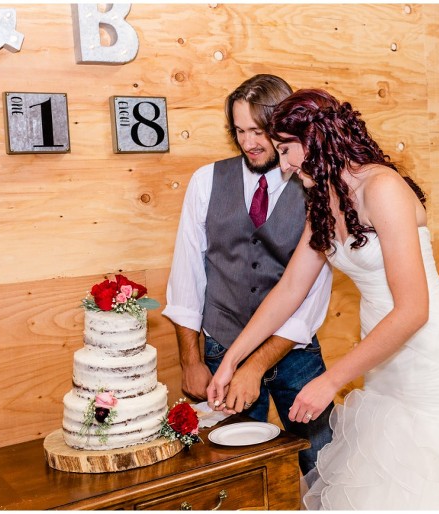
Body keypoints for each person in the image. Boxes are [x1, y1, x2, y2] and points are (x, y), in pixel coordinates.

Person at [207, 89, 439, 510]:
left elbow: (413, 311)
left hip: (425, 350)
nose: (282, 165)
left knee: (432, 479)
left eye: (286, 150)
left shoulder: (383, 188)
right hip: (379, 351)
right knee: (386, 475)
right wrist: (234, 359)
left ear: (316, 139)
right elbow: (289, 290)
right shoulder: (323, 199)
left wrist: (331, 380)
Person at [163, 75, 334, 474]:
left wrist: (254, 366)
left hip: (294, 351)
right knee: (234, 470)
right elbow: (187, 273)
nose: (249, 143)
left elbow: (308, 297)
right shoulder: (206, 181)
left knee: (323, 462)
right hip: (221, 345)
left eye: (259, 131)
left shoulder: (314, 186)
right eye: (239, 131)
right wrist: (191, 360)